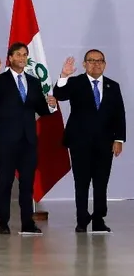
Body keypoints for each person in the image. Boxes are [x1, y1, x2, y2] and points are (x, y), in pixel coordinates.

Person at [0, 44, 58, 234]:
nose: (22, 58)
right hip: (7, 139)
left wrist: (51, 105)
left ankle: (27, 223)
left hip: (28, 140)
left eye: (25, 55)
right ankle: (3, 223)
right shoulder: (0, 79)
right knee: (5, 182)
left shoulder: (33, 81)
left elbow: (41, 109)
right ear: (10, 58)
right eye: (18, 55)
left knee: (27, 183)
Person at [52, 50, 126, 232]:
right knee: (82, 182)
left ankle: (99, 219)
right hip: (80, 142)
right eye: (91, 61)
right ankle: (82, 219)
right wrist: (64, 75)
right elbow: (59, 94)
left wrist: (119, 139)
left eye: (99, 61)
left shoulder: (112, 86)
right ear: (84, 64)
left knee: (101, 182)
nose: (96, 64)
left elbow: (119, 114)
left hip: (105, 143)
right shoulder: (76, 82)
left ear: (105, 64)